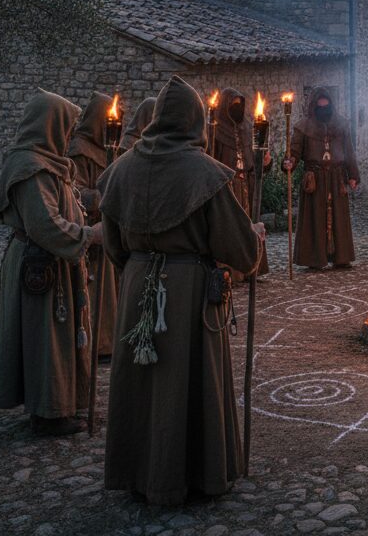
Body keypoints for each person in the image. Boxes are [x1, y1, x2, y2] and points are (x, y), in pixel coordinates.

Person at [98, 75, 266, 505]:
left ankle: (141, 474)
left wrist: (142, 268)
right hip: (188, 290)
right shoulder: (204, 173)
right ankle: (191, 476)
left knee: (146, 382)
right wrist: (256, 237)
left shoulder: (120, 169)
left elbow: (114, 246)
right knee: (186, 379)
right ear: (195, 121)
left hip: (137, 284)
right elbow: (241, 251)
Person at [0, 90, 99, 437]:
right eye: (66, 128)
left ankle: (58, 405)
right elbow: (45, 225)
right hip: (39, 267)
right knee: (46, 338)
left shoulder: (47, 162)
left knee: (55, 337)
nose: (69, 136)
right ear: (50, 125)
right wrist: (88, 236)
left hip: (53, 265)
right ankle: (50, 412)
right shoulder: (30, 168)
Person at [283, 88, 360, 270]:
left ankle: (340, 256)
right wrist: (289, 162)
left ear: (331, 106)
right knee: (315, 218)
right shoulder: (303, 127)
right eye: (320, 106)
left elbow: (349, 151)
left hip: (336, 177)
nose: (324, 110)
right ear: (314, 107)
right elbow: (294, 151)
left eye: (327, 106)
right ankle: (314, 258)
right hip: (314, 179)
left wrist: (353, 175)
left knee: (338, 217)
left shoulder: (341, 125)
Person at [66, 91, 118, 358]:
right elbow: (74, 192)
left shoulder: (107, 148)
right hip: (90, 229)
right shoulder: (78, 150)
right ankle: (94, 345)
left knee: (109, 291)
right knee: (94, 290)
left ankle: (108, 341)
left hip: (106, 228)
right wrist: (104, 198)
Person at [210, 87, 271, 274]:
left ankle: (253, 268)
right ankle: (233, 271)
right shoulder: (215, 130)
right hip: (228, 186)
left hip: (247, 185)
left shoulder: (247, 128)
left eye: (240, 103)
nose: (237, 107)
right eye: (233, 104)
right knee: (231, 227)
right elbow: (210, 158)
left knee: (250, 226)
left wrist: (265, 161)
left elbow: (255, 159)